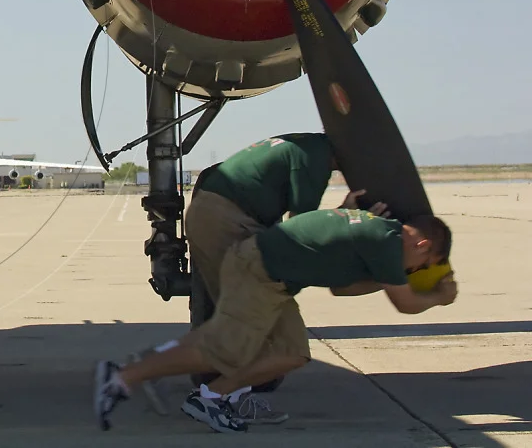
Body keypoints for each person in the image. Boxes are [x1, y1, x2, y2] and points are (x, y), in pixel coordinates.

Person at [94, 209, 456, 434]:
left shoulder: (380, 232)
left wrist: (384, 278)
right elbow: (405, 304)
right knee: (221, 350)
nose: (416, 270)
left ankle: (210, 397)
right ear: (422, 244)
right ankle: (123, 377)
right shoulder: (387, 241)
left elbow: (342, 290)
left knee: (292, 352)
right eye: (423, 264)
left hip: (271, 276)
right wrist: (440, 297)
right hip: (259, 272)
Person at [159, 133, 386, 423]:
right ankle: (209, 396)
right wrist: (348, 220)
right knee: (250, 322)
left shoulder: (308, 148)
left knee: (251, 323)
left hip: (219, 218)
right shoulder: (313, 159)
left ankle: (223, 397)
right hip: (226, 223)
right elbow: (304, 232)